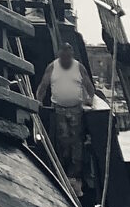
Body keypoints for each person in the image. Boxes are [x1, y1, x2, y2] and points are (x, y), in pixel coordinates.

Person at [36, 35, 93, 188]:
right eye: (64, 54)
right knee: (62, 141)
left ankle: (74, 175)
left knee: (76, 142)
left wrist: (90, 99)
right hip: (59, 110)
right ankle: (62, 171)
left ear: (72, 54)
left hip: (76, 110)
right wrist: (39, 100)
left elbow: (88, 84)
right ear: (59, 55)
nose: (66, 57)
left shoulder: (78, 67)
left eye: (68, 54)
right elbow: (43, 85)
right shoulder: (52, 67)